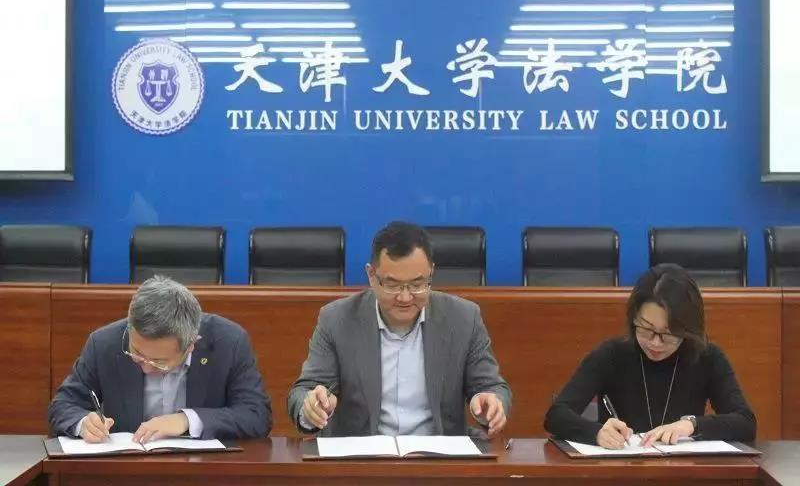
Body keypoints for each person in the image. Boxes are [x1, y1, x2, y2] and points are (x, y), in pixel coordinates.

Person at [288, 221, 511, 437]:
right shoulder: (337, 319)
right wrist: (312, 407)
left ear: (431, 273)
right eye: (393, 285)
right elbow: (303, 391)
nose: (405, 297)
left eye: (417, 284)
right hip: (363, 458)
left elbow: (492, 387)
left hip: (437, 457)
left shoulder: (463, 318)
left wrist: (489, 403)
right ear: (371, 275)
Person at [544, 263, 756, 448]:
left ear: (688, 329)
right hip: (622, 470)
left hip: (684, 471)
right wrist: (596, 432)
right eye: (646, 329)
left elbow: (745, 422)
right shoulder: (612, 354)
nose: (655, 343)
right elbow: (556, 415)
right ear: (633, 319)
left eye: (668, 334)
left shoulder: (706, 357)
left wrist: (692, 424)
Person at [49, 275, 272, 443]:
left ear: (191, 345)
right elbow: (63, 405)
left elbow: (257, 415)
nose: (145, 368)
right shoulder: (104, 343)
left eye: (158, 362)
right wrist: (83, 423)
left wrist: (186, 420)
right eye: (136, 353)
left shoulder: (229, 342)